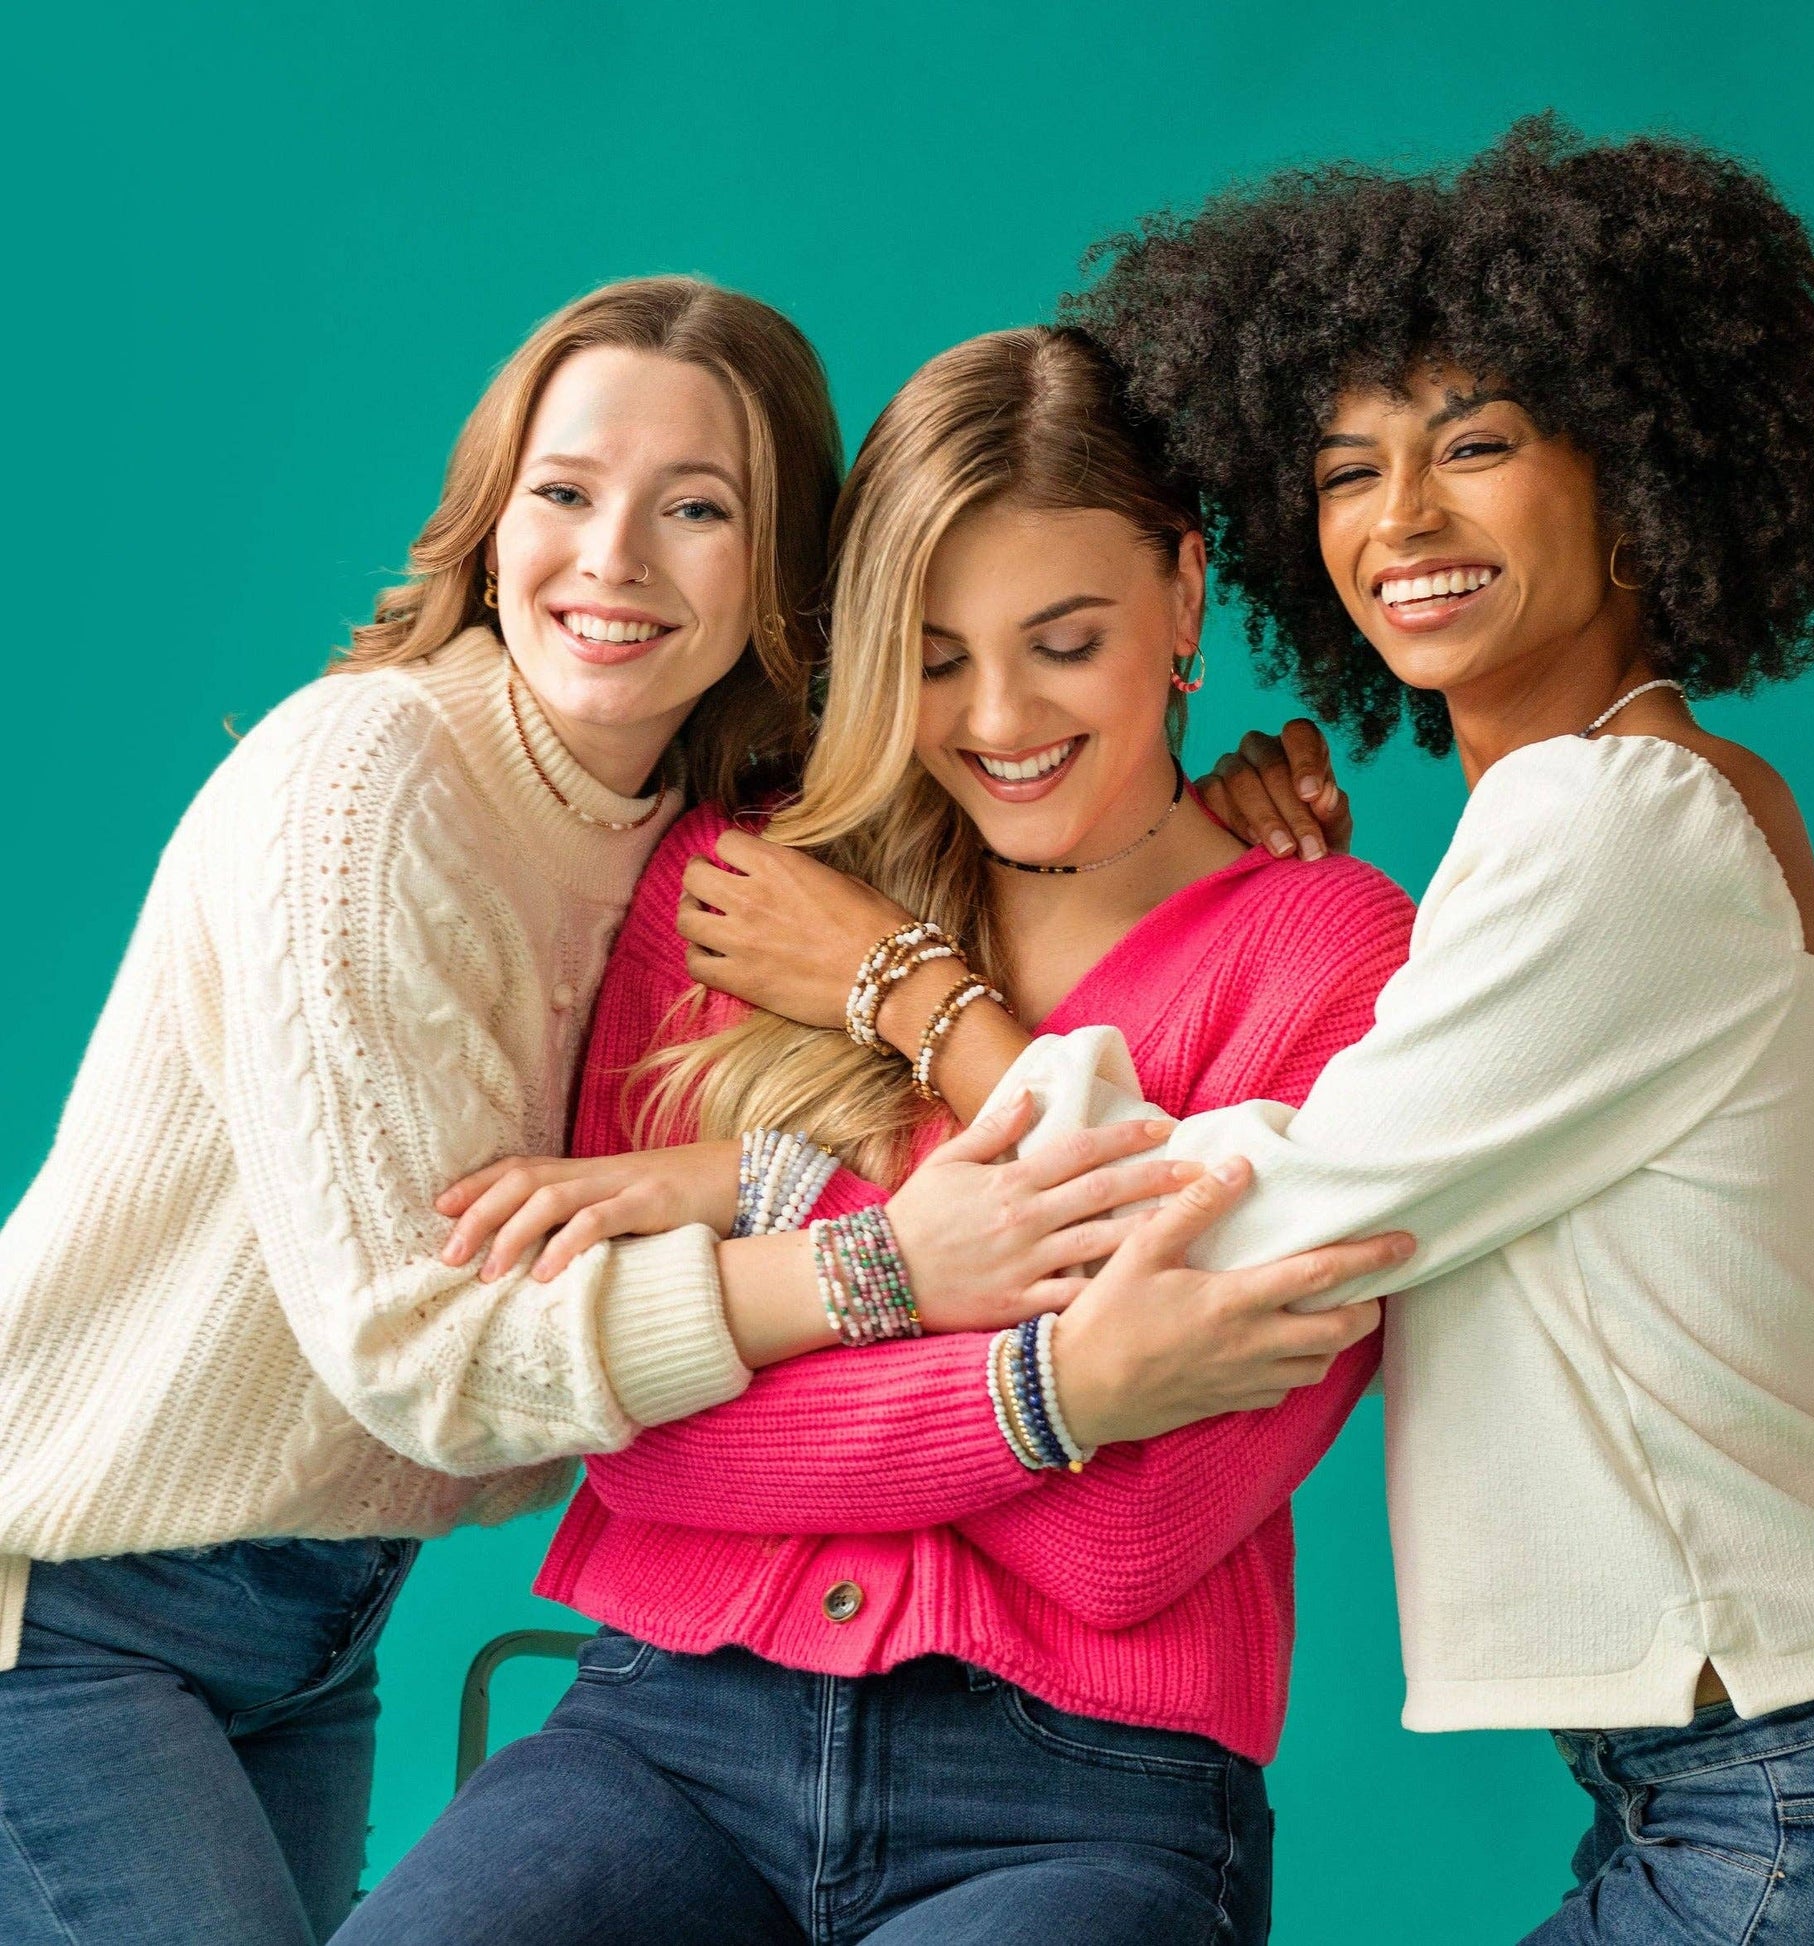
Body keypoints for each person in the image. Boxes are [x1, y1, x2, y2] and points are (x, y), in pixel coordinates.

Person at [0, 277, 1177, 1946]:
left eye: (694, 508)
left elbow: (1025, 1052)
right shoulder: (364, 780)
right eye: (563, 493)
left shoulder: (703, 840)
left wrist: (1230, 796)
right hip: (58, 1609)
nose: (612, 557)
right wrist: (878, 1270)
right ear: (491, 525)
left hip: (320, 1617)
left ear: (777, 575)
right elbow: (426, 1353)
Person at [339, 324, 1416, 1946]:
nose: (997, 717)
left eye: (1065, 641)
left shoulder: (1331, 957)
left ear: (1185, 599)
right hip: (662, 1741)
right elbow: (630, 1426)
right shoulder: (746, 883)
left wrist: (796, 1177)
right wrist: (1056, 1380)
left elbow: (1139, 1527)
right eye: (928, 654)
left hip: (1082, 1800)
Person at [1020, 119, 1814, 1941]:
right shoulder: (1652, 798)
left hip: (1790, 1761)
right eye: (1347, 468)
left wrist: (926, 1000)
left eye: (1477, 446)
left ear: (1639, 474)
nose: (1400, 522)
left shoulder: (1609, 818)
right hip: (1763, 1758)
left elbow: (1296, 1219)